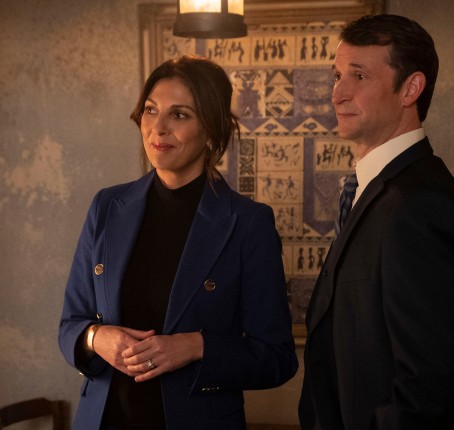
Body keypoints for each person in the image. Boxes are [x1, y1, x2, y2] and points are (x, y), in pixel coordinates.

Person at [59, 55, 298, 430]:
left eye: (180, 115)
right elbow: (70, 325)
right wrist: (95, 337)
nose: (159, 127)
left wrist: (196, 347)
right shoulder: (106, 206)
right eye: (150, 110)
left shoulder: (248, 223)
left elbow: (277, 358)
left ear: (211, 128)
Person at [299, 14, 454, 430]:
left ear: (410, 89)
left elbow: (427, 389)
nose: (337, 94)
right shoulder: (376, 189)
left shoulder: (420, 204)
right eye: (337, 76)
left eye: (359, 76)